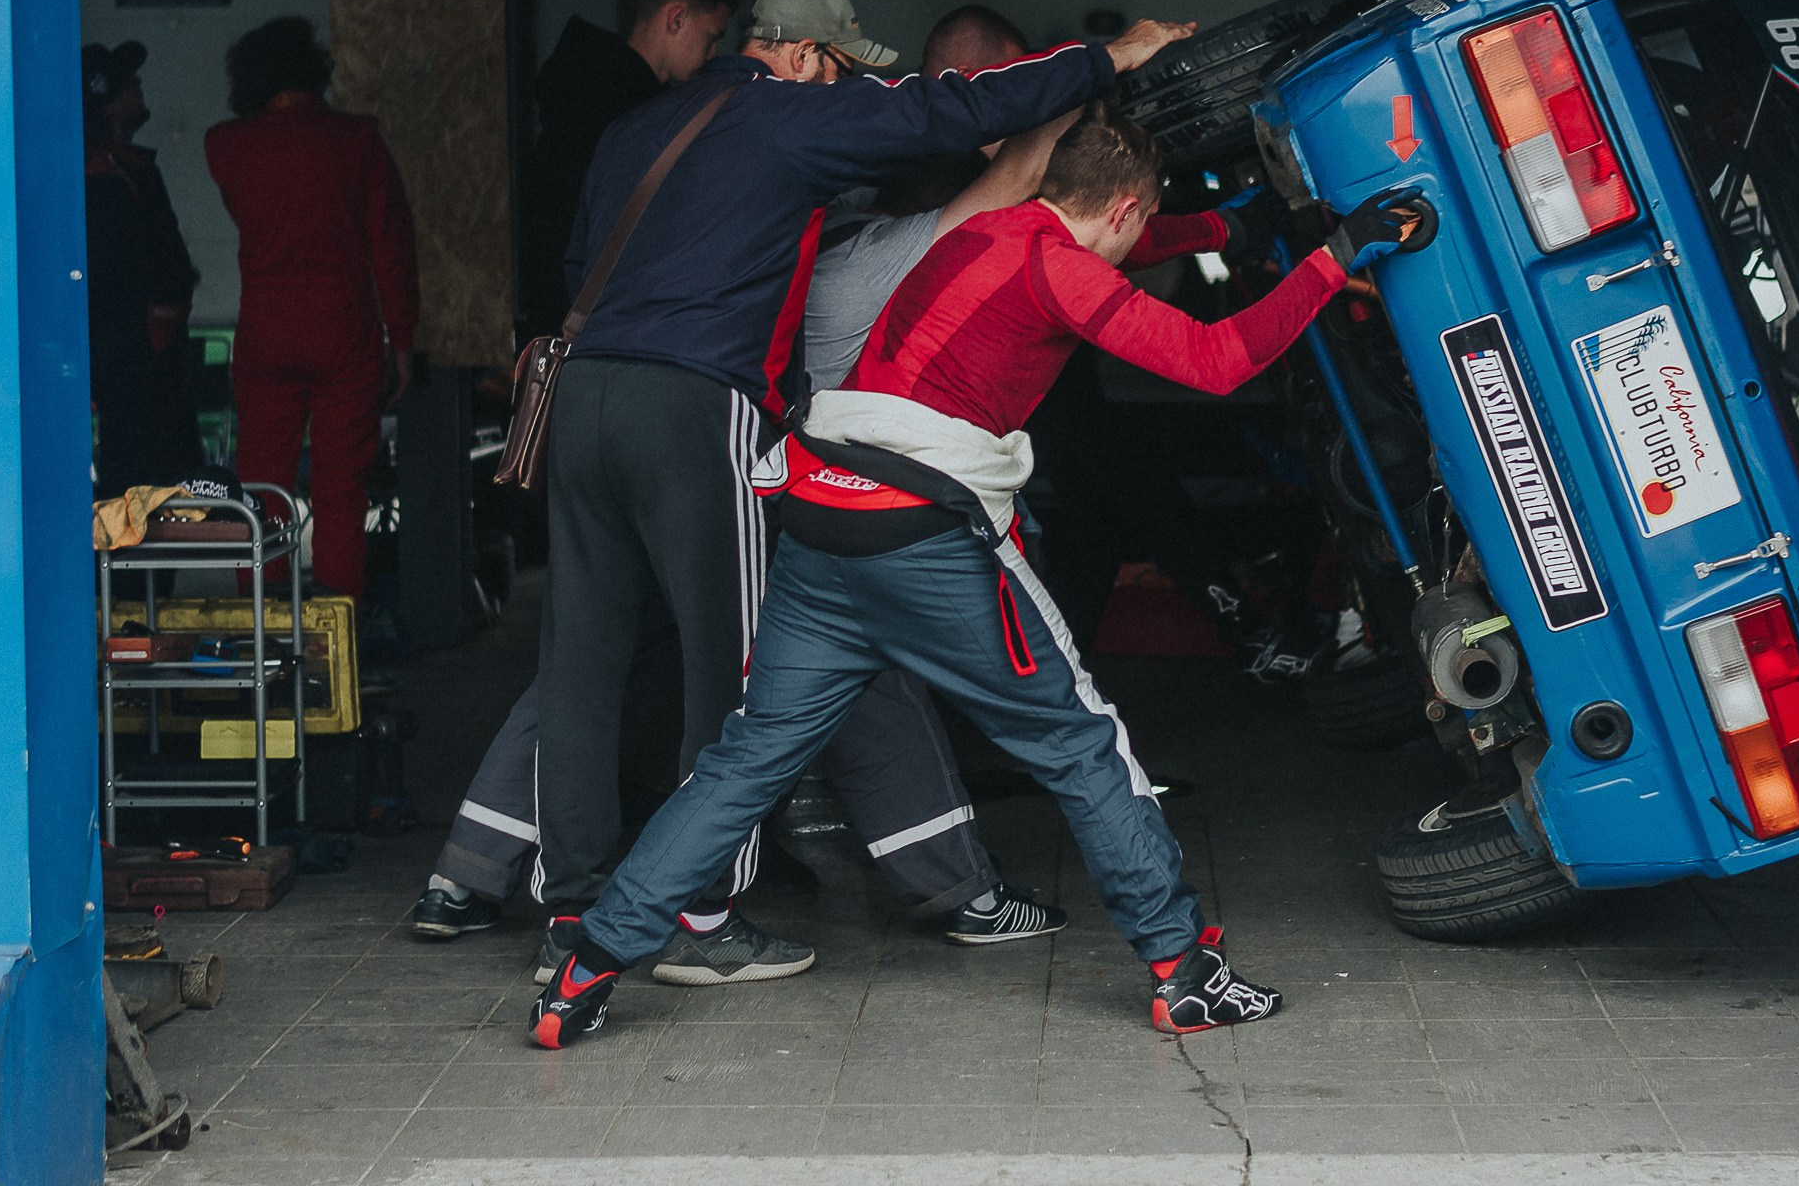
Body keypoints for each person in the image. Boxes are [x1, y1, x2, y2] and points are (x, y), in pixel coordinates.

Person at [527, 103, 1424, 1048]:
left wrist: (1223, 226)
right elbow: (1217, 358)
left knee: (742, 764)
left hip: (822, 511)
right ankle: (1182, 967)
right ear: (1119, 210)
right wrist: (1336, 258)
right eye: (1138, 225)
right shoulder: (1064, 269)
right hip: (921, 531)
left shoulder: (986, 232)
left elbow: (1118, 234)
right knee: (1082, 742)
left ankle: (584, 968)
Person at [408, 0, 1195, 989]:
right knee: (738, 675)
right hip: (696, 410)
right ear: (803, 56)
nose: (836, 84)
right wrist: (1104, 61)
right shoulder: (785, 118)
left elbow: (572, 260)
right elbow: (945, 110)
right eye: (835, 66)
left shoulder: (634, 129)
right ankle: (703, 917)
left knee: (581, 660)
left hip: (585, 396)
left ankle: (570, 907)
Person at [202, 18, 418, 602]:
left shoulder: (224, 146)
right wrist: (401, 339)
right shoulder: (358, 141)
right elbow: (391, 246)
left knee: (260, 488)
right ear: (315, 71)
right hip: (343, 330)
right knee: (340, 491)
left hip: (267, 333)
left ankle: (261, 629)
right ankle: (336, 634)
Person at [514, 0, 742, 343]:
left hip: (564, 328)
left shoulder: (579, 96)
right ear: (676, 18)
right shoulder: (637, 121)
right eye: (712, 36)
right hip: (607, 337)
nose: (712, 54)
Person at [81, 40, 205, 494]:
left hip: (152, 364)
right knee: (140, 487)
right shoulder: (100, 177)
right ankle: (124, 568)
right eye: (129, 81)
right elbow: (113, 279)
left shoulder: (125, 169)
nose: (139, 85)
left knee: (168, 486)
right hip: (136, 371)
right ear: (105, 99)